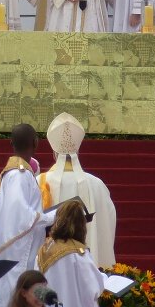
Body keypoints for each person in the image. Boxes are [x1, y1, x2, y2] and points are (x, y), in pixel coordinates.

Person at [0, 125, 52, 307]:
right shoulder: (19, 174)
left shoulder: (18, 173)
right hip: (16, 252)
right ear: (36, 143)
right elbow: (22, 216)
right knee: (12, 303)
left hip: (17, 247)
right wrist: (55, 216)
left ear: (11, 143)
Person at [37, 113, 116, 268]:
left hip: (49, 265)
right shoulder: (97, 184)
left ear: (54, 152)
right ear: (77, 151)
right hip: (90, 266)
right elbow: (108, 221)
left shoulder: (38, 181)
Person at [36, 200, 106, 307]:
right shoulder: (79, 252)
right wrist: (104, 277)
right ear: (81, 225)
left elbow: (37, 286)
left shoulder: (44, 250)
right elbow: (94, 287)